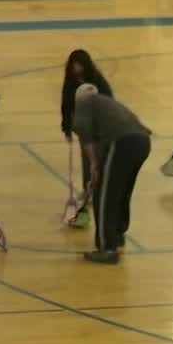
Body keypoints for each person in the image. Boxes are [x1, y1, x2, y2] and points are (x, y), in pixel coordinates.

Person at [72, 83, 151, 264]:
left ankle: (107, 248)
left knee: (104, 196)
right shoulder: (107, 104)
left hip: (122, 142)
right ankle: (117, 233)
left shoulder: (84, 104)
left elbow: (86, 136)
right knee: (122, 191)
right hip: (142, 142)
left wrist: (93, 165)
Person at [60, 49, 113, 229]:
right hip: (83, 125)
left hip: (100, 125)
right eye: (74, 64)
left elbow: (109, 99)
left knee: (98, 159)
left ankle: (99, 189)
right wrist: (66, 127)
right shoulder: (70, 82)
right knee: (87, 159)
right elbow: (66, 105)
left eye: (80, 64)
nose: (77, 68)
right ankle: (89, 190)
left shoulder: (97, 80)